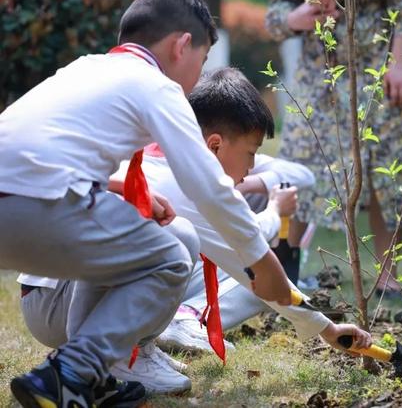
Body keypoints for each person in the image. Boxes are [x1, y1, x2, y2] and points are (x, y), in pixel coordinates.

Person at [0, 0, 292, 407]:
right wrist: (263, 261)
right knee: (170, 254)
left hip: (17, 203)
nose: (198, 76)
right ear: (182, 45)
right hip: (39, 205)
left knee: (129, 243)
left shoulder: (85, 67)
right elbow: (207, 184)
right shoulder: (155, 84)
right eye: (203, 60)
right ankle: (70, 371)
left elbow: (39, 149)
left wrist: (116, 186)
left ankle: (89, 382)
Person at [18, 68, 373, 395]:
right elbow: (254, 267)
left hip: (50, 294)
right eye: (250, 153)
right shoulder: (188, 183)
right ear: (214, 145)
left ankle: (139, 347)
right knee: (180, 238)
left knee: (178, 245)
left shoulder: (163, 153)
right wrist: (327, 330)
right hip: (56, 304)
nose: (250, 169)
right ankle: (123, 359)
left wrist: (325, 328)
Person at [264, 0, 402, 296]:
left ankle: (387, 276)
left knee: (388, 163)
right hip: (322, 64)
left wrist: (401, 63)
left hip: (384, 57)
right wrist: (295, 17)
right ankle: (284, 270)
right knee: (304, 159)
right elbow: (277, 9)